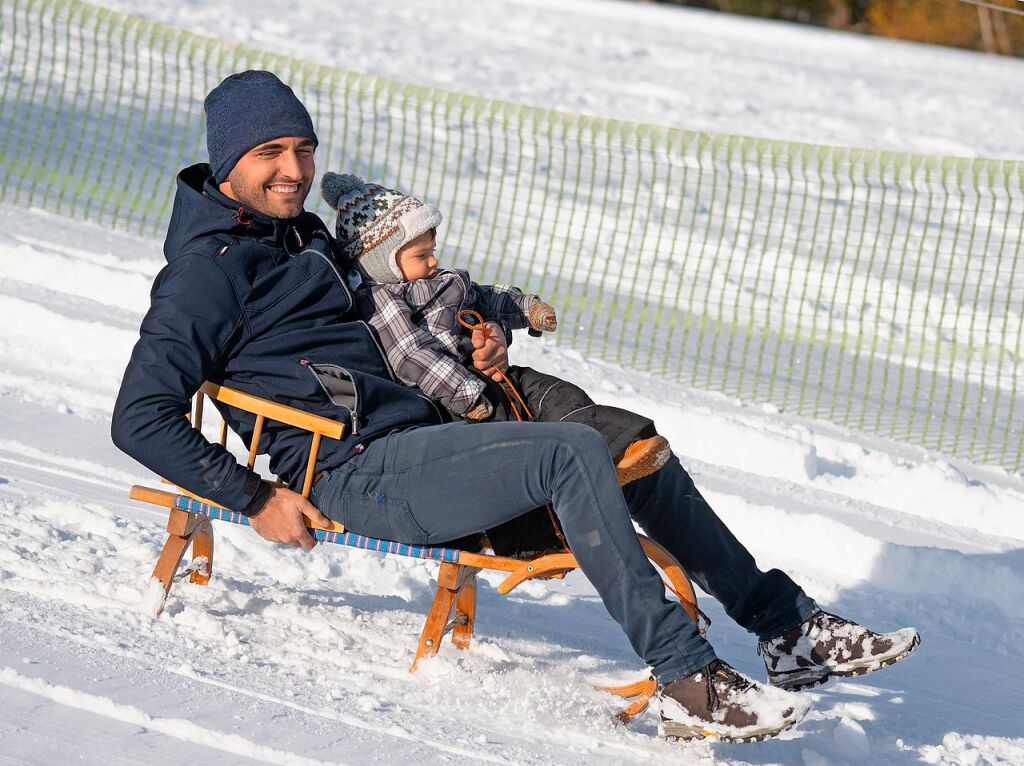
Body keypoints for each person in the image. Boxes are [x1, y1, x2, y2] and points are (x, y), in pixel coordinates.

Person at [111, 70, 920, 743]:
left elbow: (401, 319)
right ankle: (688, 678)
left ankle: (786, 627)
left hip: (423, 438)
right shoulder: (207, 273)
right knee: (570, 449)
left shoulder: (304, 239)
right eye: (269, 152)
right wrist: (256, 497)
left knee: (634, 445)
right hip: (356, 470)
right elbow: (139, 415)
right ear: (228, 163)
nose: (293, 168)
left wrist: (477, 346)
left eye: (303, 148)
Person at [318, 171, 671, 493]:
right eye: (421, 254)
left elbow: (485, 297)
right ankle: (557, 492)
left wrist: (526, 309)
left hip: (486, 379)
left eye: (433, 251)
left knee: (555, 393)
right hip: (454, 401)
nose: (433, 262)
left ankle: (621, 448)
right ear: (382, 263)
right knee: (519, 442)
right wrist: (466, 393)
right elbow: (411, 354)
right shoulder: (383, 301)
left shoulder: (439, 282)